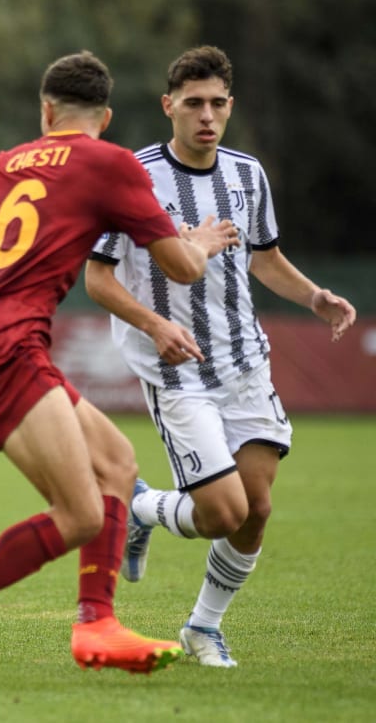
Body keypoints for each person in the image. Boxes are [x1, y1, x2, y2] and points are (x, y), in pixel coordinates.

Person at [0, 51, 240, 690]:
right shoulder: (111, 162)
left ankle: (96, 623)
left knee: (116, 464)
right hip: (4, 350)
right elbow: (182, 268)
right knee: (79, 514)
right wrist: (204, 242)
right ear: (104, 117)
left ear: (45, 112)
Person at [85, 45, 356, 668]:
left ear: (230, 107)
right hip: (176, 371)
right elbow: (97, 278)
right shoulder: (133, 175)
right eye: (193, 103)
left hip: (244, 361)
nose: (206, 116)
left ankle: (201, 626)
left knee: (256, 509)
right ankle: (142, 507)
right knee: (219, 513)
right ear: (168, 106)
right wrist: (154, 325)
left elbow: (264, 258)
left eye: (217, 104)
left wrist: (313, 295)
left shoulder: (247, 175)